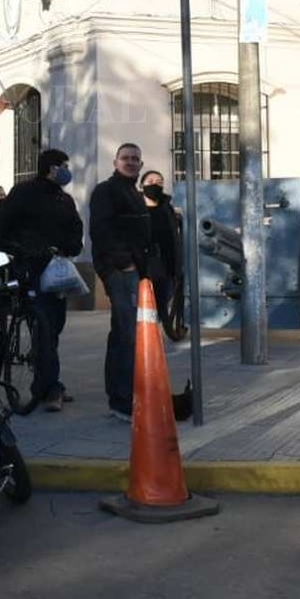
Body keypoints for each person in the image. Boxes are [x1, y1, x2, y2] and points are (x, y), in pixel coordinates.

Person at [0, 149, 84, 414]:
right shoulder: (24, 193)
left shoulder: (63, 199)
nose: (67, 170)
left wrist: (70, 246)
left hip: (57, 273)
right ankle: (49, 389)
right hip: (31, 270)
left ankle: (46, 380)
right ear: (52, 168)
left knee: (53, 327)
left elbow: (75, 228)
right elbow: (1, 224)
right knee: (43, 328)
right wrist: (20, 250)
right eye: (64, 166)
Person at [89, 142, 152, 423]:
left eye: (135, 159)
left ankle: (125, 396)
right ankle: (122, 400)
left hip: (134, 270)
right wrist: (122, 262)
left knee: (126, 334)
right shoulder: (106, 191)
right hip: (120, 271)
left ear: (140, 164)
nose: (130, 162)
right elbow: (100, 230)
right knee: (127, 336)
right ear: (115, 162)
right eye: (125, 158)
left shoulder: (134, 193)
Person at [139, 169, 187, 341]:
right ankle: (144, 334)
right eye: (150, 181)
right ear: (141, 184)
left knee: (163, 299)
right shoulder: (136, 207)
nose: (154, 184)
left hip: (166, 263)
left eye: (159, 182)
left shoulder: (167, 208)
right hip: (143, 263)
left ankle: (154, 332)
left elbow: (174, 236)